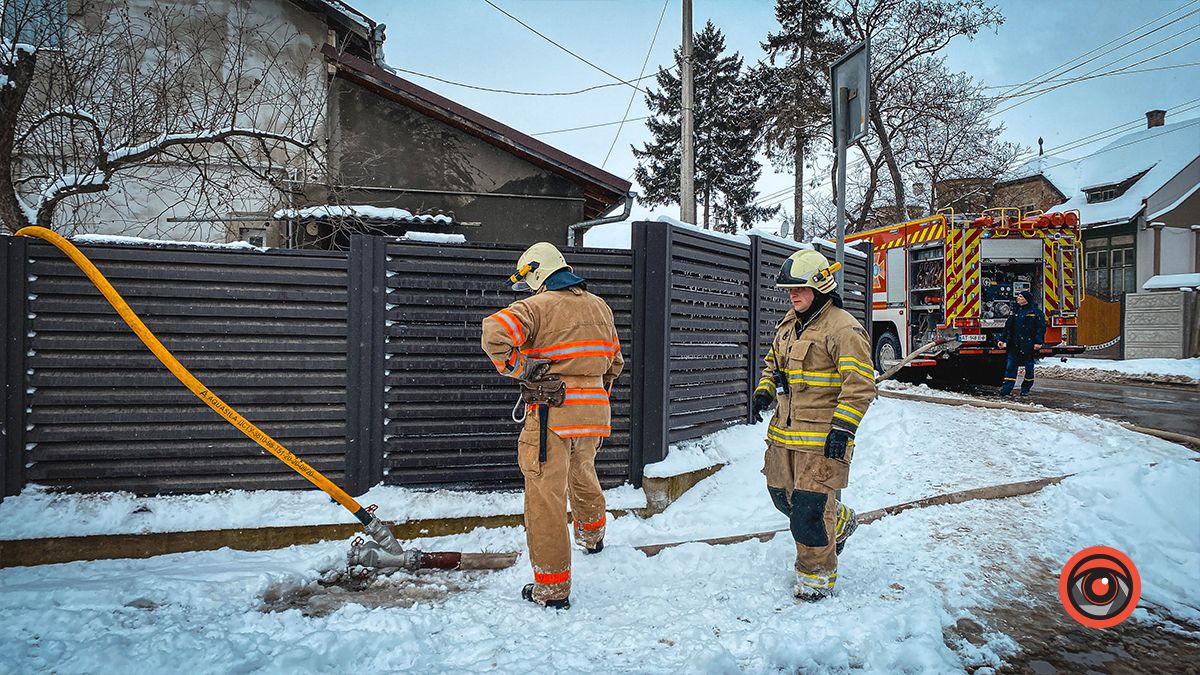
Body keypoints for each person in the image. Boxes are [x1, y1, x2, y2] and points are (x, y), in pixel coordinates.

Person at [480, 242, 623, 610]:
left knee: (545, 498)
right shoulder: (600, 307)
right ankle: (593, 535)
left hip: (550, 416)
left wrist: (521, 369)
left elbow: (494, 333)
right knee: (583, 472)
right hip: (594, 415)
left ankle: (552, 589)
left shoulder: (536, 306)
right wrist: (592, 393)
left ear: (536, 273)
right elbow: (615, 361)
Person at [750, 249, 876, 602]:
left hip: (821, 439)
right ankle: (840, 518)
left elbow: (860, 384)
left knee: (808, 512)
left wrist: (843, 427)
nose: (793, 295)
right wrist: (764, 390)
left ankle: (816, 579)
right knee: (781, 498)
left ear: (820, 287)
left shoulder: (843, 329)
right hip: (783, 435)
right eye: (789, 289)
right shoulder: (789, 324)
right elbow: (773, 363)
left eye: (799, 289)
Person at [996, 290, 1045, 396]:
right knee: (1010, 368)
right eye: (1018, 296)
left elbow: (1041, 329)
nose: (1018, 298)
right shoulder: (1015, 312)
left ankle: (1025, 389)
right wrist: (1002, 339)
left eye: (1021, 296)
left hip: (1028, 346)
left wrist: (1038, 342)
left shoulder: (1035, 313)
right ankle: (1006, 390)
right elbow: (1008, 328)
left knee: (1029, 369)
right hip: (1014, 345)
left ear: (1026, 299)